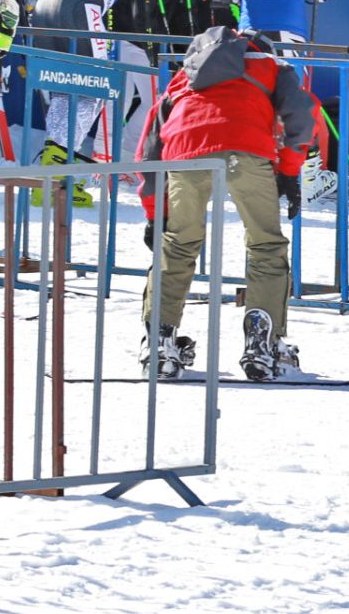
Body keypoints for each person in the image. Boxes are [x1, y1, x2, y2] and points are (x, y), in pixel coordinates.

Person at [135, 24, 317, 381]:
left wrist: (156, 215)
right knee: (265, 245)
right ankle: (262, 345)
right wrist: (289, 172)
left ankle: (159, 343)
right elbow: (300, 117)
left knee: (177, 244)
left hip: (184, 153)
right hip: (246, 147)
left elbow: (150, 148)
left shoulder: (184, 77)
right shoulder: (271, 66)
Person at [30, 0, 184, 197]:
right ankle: (59, 173)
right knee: (93, 91)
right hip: (82, 7)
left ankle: (51, 172)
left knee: (65, 90)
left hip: (45, 6)